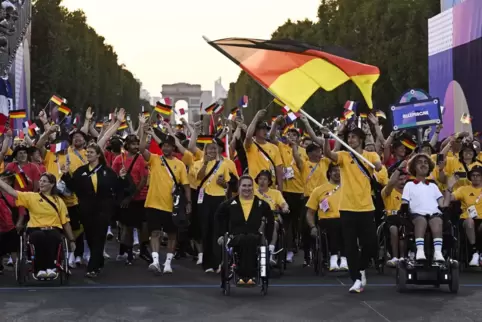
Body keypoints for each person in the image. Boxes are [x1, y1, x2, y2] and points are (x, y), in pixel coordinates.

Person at [322, 123, 382, 293]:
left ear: (361, 139)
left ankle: (362, 268)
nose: (350, 140)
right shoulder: (343, 155)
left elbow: (377, 166)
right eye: (348, 137)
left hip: (366, 207)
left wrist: (374, 164)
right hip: (347, 207)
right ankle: (356, 278)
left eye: (353, 137)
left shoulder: (370, 155)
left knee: (370, 244)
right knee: (350, 246)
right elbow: (328, 154)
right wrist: (327, 138)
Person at [138, 117, 192, 274]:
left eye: (169, 146)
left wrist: (188, 203)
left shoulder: (180, 164)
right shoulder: (154, 159)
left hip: (172, 204)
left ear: (173, 148)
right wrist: (142, 128)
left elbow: (186, 185)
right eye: (164, 146)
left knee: (172, 234)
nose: (166, 148)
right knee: (154, 233)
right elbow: (142, 149)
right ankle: (155, 261)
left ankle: (168, 263)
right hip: (153, 203)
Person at [61, 143, 121, 278]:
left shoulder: (108, 172)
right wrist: (65, 175)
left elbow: (118, 188)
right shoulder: (81, 171)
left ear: (98, 155)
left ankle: (92, 267)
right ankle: (98, 261)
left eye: (91, 152)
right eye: (87, 152)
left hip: (103, 210)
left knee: (99, 237)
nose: (88, 154)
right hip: (86, 210)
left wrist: (122, 179)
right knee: (90, 237)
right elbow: (72, 188)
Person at [0, 172, 75, 279]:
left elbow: (66, 223)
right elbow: (11, 191)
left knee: (53, 237)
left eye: (44, 181)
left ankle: (50, 268)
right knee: (38, 237)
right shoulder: (32, 197)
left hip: (53, 229)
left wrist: (71, 240)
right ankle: (40, 269)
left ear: (52, 184)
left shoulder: (59, 201)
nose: (41, 183)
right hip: (35, 229)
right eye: (40, 181)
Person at [215, 175, 273, 285]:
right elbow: (218, 218)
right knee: (242, 239)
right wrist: (221, 235)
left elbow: (270, 220)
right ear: (239, 187)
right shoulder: (229, 204)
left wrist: (268, 239)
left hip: (254, 235)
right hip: (235, 236)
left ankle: (251, 274)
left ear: (253, 187)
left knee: (250, 239)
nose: (247, 188)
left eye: (250, 186)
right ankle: (242, 274)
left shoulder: (261, 204)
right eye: (244, 186)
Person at [191, 139, 231, 273]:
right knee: (206, 230)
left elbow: (228, 185)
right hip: (204, 198)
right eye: (210, 149)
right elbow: (198, 178)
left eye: (215, 148)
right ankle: (207, 263)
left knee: (217, 230)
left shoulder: (223, 164)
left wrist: (223, 183)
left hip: (219, 198)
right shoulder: (199, 163)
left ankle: (218, 262)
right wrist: (206, 163)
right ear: (205, 150)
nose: (213, 151)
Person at [112, 134, 149, 265]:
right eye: (133, 144)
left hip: (140, 197)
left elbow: (144, 179)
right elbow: (114, 178)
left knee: (143, 226)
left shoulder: (141, 158)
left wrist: (132, 196)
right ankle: (128, 252)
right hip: (124, 198)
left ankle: (144, 249)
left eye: (137, 144)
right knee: (126, 227)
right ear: (127, 145)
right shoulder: (119, 159)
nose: (136, 146)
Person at [401, 153, 445, 262]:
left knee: (437, 221)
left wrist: (449, 188)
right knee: (421, 221)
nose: (423, 164)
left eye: (425, 162)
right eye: (419, 162)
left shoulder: (433, 186)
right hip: (416, 214)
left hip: (433, 213)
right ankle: (420, 251)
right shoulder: (409, 185)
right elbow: (404, 202)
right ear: (414, 167)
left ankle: (438, 252)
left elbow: (443, 204)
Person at [306, 164, 347, 271]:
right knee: (335, 225)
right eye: (335, 171)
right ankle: (333, 258)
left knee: (346, 224)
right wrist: (312, 227)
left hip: (345, 219)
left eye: (340, 171)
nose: (337, 173)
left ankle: (344, 258)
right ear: (329, 173)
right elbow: (310, 212)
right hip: (326, 221)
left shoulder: (348, 189)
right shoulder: (319, 190)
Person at [444, 165, 482, 266]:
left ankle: (479, 252)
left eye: (478, 175)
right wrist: (449, 187)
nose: (475, 177)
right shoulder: (463, 189)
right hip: (467, 219)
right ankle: (474, 252)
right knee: (470, 221)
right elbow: (448, 200)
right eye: (473, 175)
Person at [254, 170, 289, 264]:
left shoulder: (276, 193)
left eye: (265, 179)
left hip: (272, 217)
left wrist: (285, 208)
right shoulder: (253, 192)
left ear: (269, 182)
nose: (262, 181)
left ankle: (271, 251)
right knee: (260, 224)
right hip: (257, 218)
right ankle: (260, 249)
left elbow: (283, 204)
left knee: (273, 224)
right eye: (260, 179)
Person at [381, 162, 408, 267]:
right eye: (400, 179)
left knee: (404, 228)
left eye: (404, 179)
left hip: (405, 219)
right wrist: (399, 168)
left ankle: (403, 257)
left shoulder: (409, 192)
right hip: (391, 219)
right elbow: (391, 183)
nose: (402, 182)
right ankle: (395, 257)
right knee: (394, 229)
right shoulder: (388, 191)